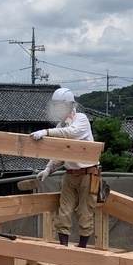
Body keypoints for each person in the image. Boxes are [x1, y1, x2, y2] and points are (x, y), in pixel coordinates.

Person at [30, 87, 99, 248]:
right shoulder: (60, 125)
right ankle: (64, 248)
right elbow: (59, 153)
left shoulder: (80, 119)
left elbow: (69, 133)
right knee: (64, 211)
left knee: (85, 212)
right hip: (70, 174)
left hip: (88, 174)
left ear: (69, 106)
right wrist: (47, 170)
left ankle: (82, 249)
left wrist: (46, 132)